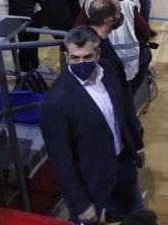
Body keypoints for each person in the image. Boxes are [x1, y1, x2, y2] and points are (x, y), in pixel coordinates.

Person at [40, 26, 146, 224]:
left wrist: (137, 145)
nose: (81, 63)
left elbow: (125, 110)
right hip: (90, 180)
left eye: (87, 57)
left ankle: (116, 214)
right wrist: (81, 204)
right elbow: (61, 161)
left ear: (98, 53)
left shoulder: (109, 70)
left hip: (123, 164)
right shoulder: (56, 103)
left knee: (138, 216)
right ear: (66, 56)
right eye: (75, 58)